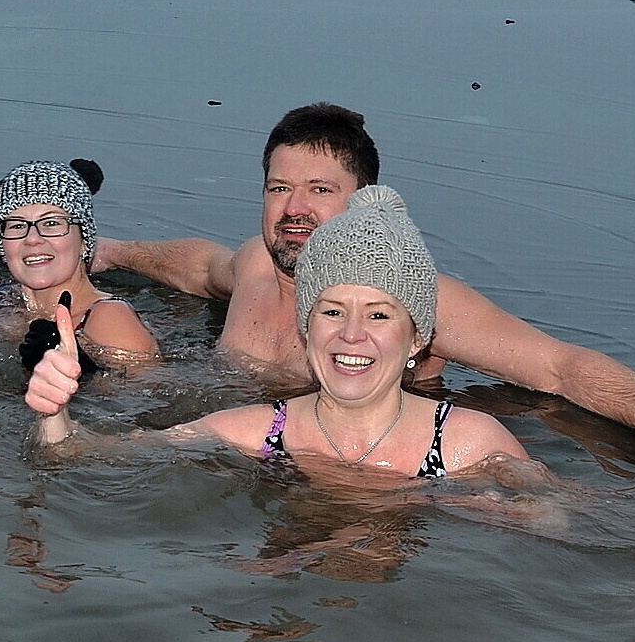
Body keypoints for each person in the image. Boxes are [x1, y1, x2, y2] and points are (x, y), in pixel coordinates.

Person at [93, 102, 635, 465]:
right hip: (252, 457)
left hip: (388, 481)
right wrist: (111, 249)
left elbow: (560, 366)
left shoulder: (412, 300)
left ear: (364, 200)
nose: (294, 209)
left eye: (320, 190)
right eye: (279, 188)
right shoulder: (255, 266)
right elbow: (192, 264)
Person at [36, 185, 529, 479]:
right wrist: (54, 414)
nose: (352, 336)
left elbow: (561, 519)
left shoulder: (468, 445)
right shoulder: (257, 431)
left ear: (418, 338)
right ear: (306, 326)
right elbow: (89, 456)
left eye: (379, 315)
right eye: (332, 312)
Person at [0, 158, 158, 379]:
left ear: (84, 240)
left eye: (51, 223)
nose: (32, 239)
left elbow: (146, 398)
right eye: (17, 225)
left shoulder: (108, 317)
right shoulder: (1, 305)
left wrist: (84, 374)